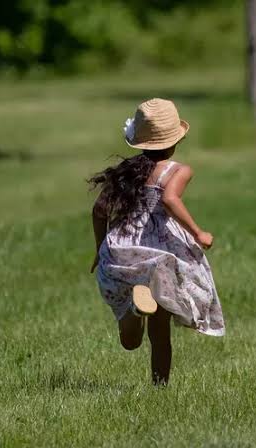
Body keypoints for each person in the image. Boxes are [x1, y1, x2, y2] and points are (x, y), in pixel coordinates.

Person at [88, 98, 225, 386]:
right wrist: (199, 233)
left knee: (130, 342)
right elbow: (169, 198)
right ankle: (159, 388)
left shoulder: (125, 172)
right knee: (160, 333)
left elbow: (99, 211)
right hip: (158, 253)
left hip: (122, 250)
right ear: (175, 140)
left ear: (138, 141)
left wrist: (100, 249)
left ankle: (135, 310)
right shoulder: (177, 171)